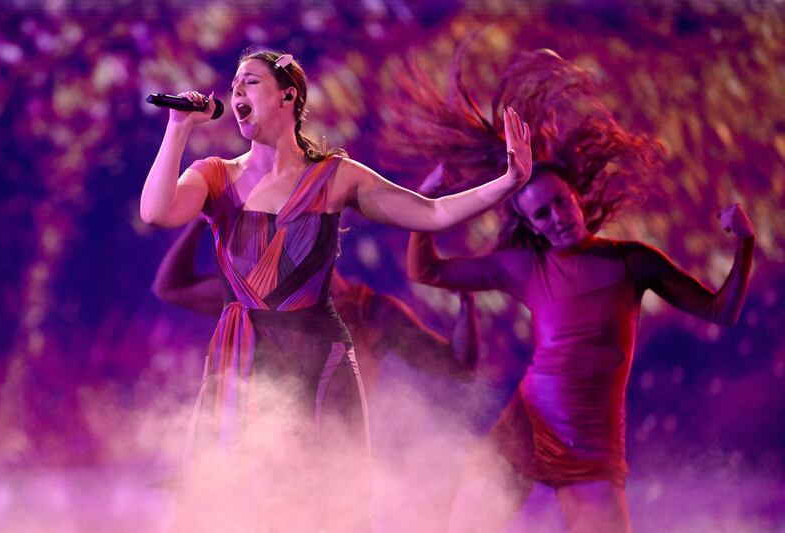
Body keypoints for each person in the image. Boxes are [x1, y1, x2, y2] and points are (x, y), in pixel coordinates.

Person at [139, 48, 531, 531]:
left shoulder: (335, 177)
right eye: (234, 84)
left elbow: (432, 214)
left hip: (317, 359)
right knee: (241, 501)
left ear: (289, 95)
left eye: (250, 82)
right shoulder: (216, 175)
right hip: (242, 363)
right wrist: (178, 128)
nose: (236, 91)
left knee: (323, 504)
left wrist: (510, 181)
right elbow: (157, 212)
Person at [396, 49, 755, 532]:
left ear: (576, 197)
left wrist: (745, 243)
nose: (556, 218)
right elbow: (426, 272)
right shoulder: (526, 267)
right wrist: (429, 200)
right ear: (530, 224)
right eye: (541, 214)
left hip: (592, 441)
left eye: (560, 204)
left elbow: (720, 310)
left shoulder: (632, 260)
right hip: (527, 421)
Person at [151, 216, 481, 388]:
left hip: (331, 466)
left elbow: (457, 366)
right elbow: (170, 288)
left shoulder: (371, 312)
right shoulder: (257, 298)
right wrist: (201, 221)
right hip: (265, 453)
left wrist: (466, 299)